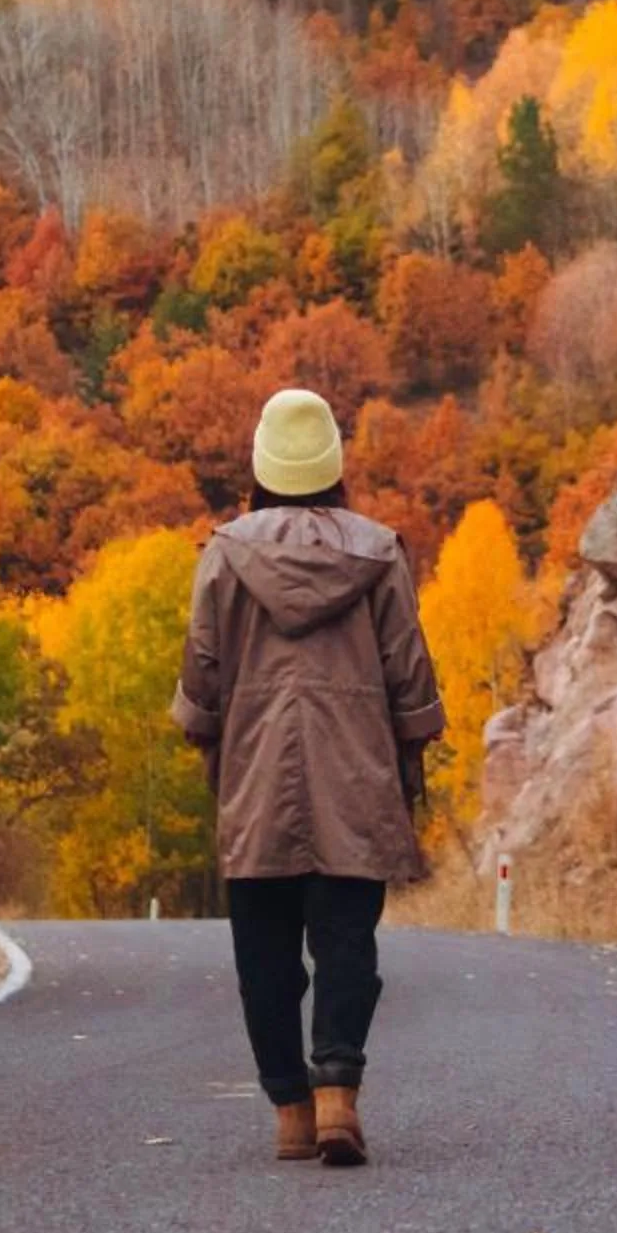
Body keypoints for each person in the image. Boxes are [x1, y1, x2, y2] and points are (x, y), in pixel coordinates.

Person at [173, 387, 443, 1167]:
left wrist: (201, 728)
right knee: (346, 943)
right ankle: (337, 1095)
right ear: (333, 465)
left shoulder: (225, 553)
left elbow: (203, 674)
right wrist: (413, 741)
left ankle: (290, 1110)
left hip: (257, 782)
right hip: (355, 778)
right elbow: (409, 673)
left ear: (262, 465)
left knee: (263, 958)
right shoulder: (379, 551)